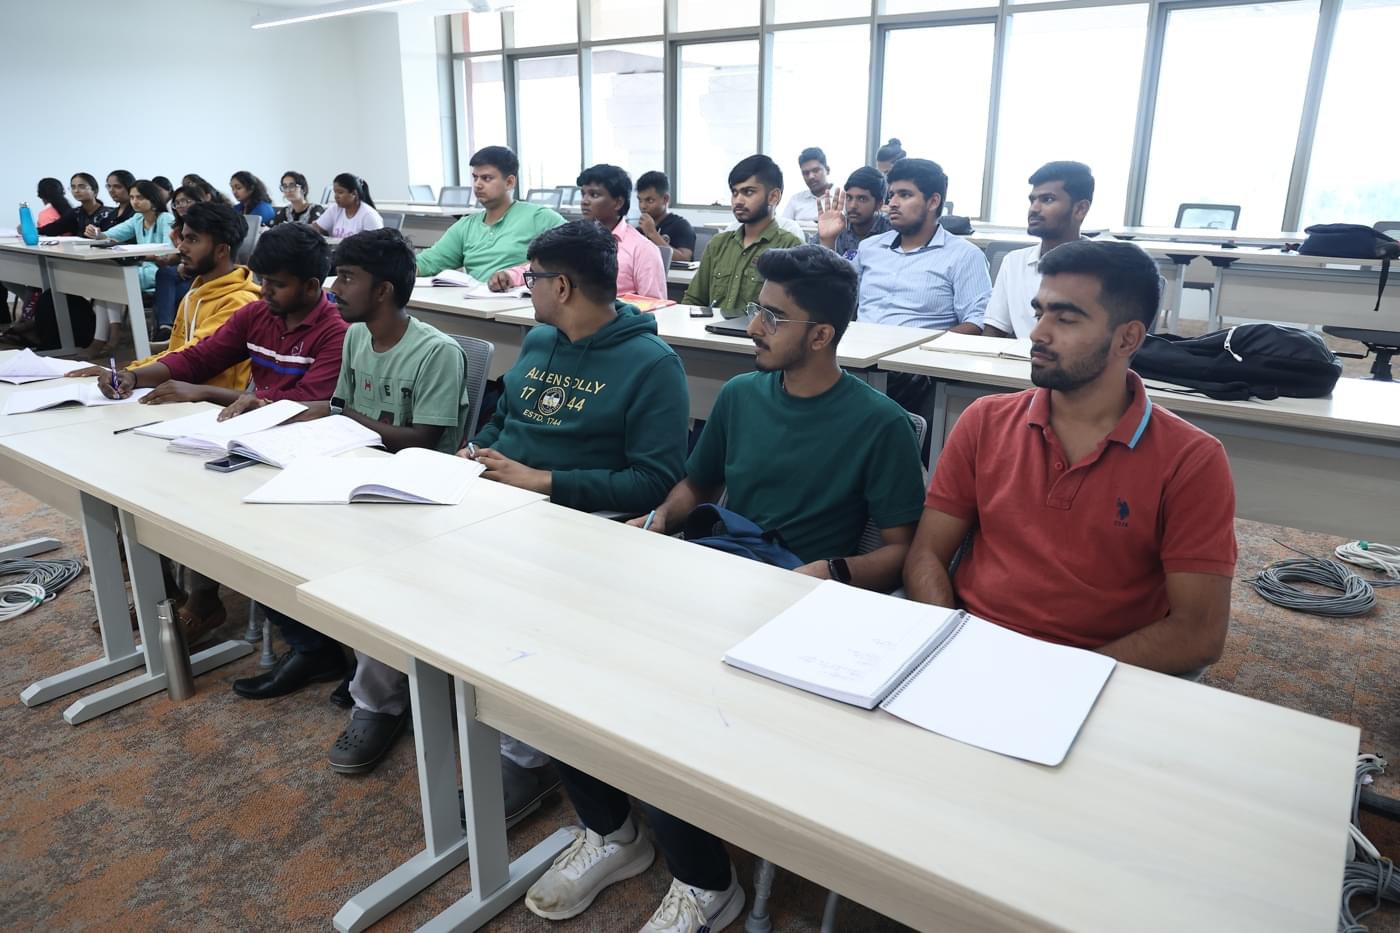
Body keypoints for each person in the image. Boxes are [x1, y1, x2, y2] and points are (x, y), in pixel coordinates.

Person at [525, 245, 926, 933]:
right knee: (557, 663)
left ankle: (707, 883)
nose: (753, 327)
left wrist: (827, 572)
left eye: (773, 316)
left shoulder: (881, 425)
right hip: (717, 569)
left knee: (668, 706)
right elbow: (698, 485)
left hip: (795, 593)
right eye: (757, 310)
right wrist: (655, 522)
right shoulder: (741, 395)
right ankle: (613, 830)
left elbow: (901, 550)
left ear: (822, 334)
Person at [903, 240, 1236, 675]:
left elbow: (1198, 633)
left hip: (1097, 672)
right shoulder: (984, 420)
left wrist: (1060, 680)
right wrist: (947, 640)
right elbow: (925, 554)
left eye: (1065, 318)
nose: (1038, 333)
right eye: (1039, 312)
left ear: (1127, 338)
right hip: (969, 648)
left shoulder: (1192, 459)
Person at [460, 220, 690, 821]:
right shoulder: (539, 341)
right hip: (503, 503)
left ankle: (529, 755)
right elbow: (502, 420)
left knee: (517, 620)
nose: (526, 288)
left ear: (562, 286)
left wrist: (544, 481)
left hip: (580, 526)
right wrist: (475, 451)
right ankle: (449, 711)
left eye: (532, 278)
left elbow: (654, 483)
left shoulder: (652, 364)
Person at [234, 228, 469, 776]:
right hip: (356, 478)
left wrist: (342, 419)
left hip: (418, 492)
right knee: (258, 530)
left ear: (383, 290)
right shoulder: (358, 336)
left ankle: (378, 701)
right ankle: (330, 653)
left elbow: (424, 442)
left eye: (347, 278)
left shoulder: (437, 352)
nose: (335, 289)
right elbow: (341, 408)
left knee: (372, 574)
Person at [99, 223, 346, 410]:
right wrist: (133, 376)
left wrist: (206, 392)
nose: (263, 290)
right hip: (252, 425)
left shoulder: (336, 331)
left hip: (301, 438)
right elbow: (199, 359)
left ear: (312, 287)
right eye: (262, 280)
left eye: (277, 285)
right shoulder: (256, 314)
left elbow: (305, 401)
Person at [854, 158, 990, 334]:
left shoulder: (964, 255)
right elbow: (835, 298)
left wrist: (921, 348)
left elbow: (977, 321)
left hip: (914, 358)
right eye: (891, 195)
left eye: (905, 195)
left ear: (933, 202)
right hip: (856, 354)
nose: (893, 203)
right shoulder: (869, 247)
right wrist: (828, 240)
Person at [491, 164, 666, 300]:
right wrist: (509, 276)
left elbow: (655, 306)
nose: (584, 201)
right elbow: (543, 268)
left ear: (618, 203)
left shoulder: (642, 249)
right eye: (583, 194)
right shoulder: (574, 239)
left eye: (594, 195)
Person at [416, 145, 565, 281]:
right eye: (475, 177)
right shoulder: (466, 226)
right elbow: (429, 261)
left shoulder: (539, 217)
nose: (477, 184)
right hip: (476, 306)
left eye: (487, 178)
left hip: (518, 306)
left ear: (509, 182)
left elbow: (574, 251)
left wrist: (520, 273)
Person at [984, 161, 1096, 340]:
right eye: (1032, 200)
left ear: (1080, 209)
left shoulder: (1104, 269)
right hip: (1016, 365)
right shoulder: (1014, 262)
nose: (1034, 208)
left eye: (1047, 199)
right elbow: (993, 332)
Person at [680, 155, 803, 312]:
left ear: (773, 197)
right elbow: (694, 299)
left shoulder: (790, 247)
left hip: (760, 334)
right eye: (735, 193)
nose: (738, 201)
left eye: (748, 192)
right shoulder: (718, 244)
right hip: (710, 334)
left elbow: (794, 313)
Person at [83, 180, 174, 357]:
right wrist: (97, 233)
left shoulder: (166, 218)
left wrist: (141, 255)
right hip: (140, 270)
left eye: (139, 197)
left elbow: (167, 253)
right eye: (132, 197)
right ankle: (107, 334)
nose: (134, 201)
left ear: (153, 199)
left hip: (157, 272)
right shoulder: (138, 219)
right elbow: (109, 235)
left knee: (110, 282)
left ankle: (106, 336)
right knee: (106, 281)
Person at [811, 166, 893, 262]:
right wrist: (827, 241)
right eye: (849, 198)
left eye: (862, 199)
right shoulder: (834, 226)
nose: (852, 206)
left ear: (879, 204)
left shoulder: (891, 232)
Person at [635, 170, 696, 263]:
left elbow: (684, 259)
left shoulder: (681, 226)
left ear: (665, 199)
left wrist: (652, 234)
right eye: (640, 200)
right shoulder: (639, 230)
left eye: (649, 200)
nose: (643, 206)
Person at [37, 174, 114, 237]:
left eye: (82, 187)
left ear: (95, 190)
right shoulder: (75, 213)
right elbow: (53, 228)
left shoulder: (109, 213)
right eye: (73, 187)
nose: (76, 191)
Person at [312, 173, 383, 239]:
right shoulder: (335, 209)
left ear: (354, 194)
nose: (336, 196)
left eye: (340, 192)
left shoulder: (369, 215)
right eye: (335, 192)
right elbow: (317, 227)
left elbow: (374, 244)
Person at [780, 146, 832, 222]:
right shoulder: (795, 200)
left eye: (815, 171)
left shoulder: (844, 198)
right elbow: (783, 229)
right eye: (806, 173)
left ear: (827, 170)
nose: (811, 177)